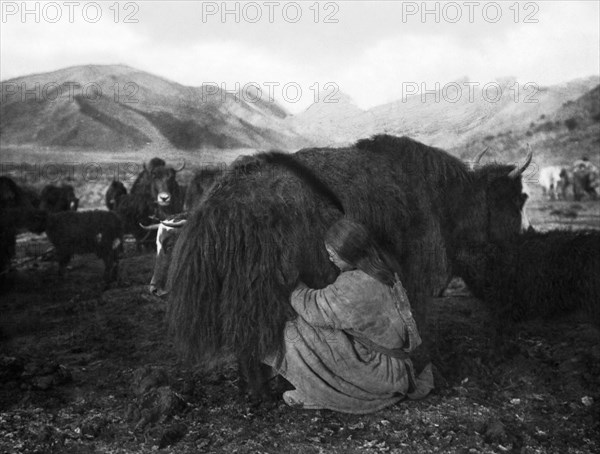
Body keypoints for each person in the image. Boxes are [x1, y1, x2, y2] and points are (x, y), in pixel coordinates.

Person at [265, 218, 434, 413]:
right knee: (327, 333)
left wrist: (292, 280)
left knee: (296, 332)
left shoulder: (355, 285)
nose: (330, 259)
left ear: (350, 253)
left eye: (332, 254)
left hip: (382, 373)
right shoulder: (382, 268)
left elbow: (313, 308)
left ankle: (323, 394)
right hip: (398, 365)